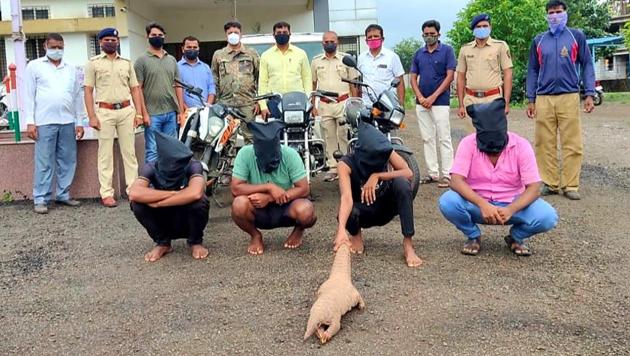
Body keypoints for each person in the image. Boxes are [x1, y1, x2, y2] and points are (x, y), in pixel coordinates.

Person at [439, 99, 558, 256]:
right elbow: (455, 181)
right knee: (448, 202)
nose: (493, 151)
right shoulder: (468, 144)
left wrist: (511, 209)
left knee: (548, 216)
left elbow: (535, 188)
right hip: (477, 204)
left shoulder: (521, 146)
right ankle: (473, 236)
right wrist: (483, 204)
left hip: (512, 204)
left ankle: (516, 237)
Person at [526, 0, 595, 201]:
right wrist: (531, 98)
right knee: (543, 142)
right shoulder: (539, 40)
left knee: (572, 142)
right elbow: (532, 70)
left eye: (558, 12)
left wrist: (589, 93)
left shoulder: (576, 36)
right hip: (544, 98)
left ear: (565, 13)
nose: (554, 16)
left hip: (569, 95)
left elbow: (587, 64)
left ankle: (570, 185)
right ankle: (550, 182)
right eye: (551, 12)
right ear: (547, 15)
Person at [332, 121, 422, 268]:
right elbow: (346, 198)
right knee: (346, 211)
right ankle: (356, 236)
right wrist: (341, 229)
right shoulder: (345, 164)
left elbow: (409, 173)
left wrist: (378, 176)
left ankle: (408, 244)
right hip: (362, 212)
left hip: (385, 208)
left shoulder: (385, 150)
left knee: (402, 183)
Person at [231, 121, 316, 255]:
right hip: (257, 206)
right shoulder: (244, 154)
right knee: (239, 205)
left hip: (285, 205)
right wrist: (269, 187)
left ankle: (298, 230)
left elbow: (304, 189)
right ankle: (255, 235)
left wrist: (270, 198)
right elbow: (236, 188)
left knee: (307, 210)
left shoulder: (290, 154)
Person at [23, 33, 86, 214]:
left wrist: (79, 122)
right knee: (44, 162)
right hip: (44, 122)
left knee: (68, 160)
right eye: (53, 47)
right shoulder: (34, 67)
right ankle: (40, 198)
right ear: (45, 46)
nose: (57, 50)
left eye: (60, 47)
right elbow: (28, 96)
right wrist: (30, 122)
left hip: (67, 121)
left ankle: (63, 195)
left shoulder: (71, 69)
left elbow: (77, 97)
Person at [84, 27, 144, 208]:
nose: (110, 42)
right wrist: (92, 116)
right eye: (107, 40)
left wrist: (139, 113)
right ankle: (107, 193)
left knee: (130, 153)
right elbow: (88, 90)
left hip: (126, 111)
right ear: (100, 42)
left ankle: (133, 190)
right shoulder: (93, 63)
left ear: (118, 42)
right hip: (104, 112)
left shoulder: (126, 63)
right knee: (105, 154)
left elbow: (135, 89)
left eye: (113, 40)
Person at [129, 131, 209, 262]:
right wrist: (174, 193)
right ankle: (163, 243)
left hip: (185, 214)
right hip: (162, 217)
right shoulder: (150, 168)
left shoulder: (193, 165)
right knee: (137, 204)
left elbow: (195, 192)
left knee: (200, 201)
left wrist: (159, 202)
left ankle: (195, 241)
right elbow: (134, 193)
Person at [409, 20, 457, 189]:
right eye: (426, 34)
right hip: (421, 103)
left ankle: (448, 174)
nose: (429, 36)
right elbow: (413, 77)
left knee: (444, 137)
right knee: (427, 138)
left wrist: (433, 97)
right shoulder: (418, 53)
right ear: (422, 35)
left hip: (440, 102)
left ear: (438, 34)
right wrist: (421, 97)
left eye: (432, 34)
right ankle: (433, 173)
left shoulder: (447, 51)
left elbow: (450, 76)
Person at [311, 31, 359, 182]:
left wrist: (355, 103)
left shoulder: (346, 59)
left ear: (337, 42)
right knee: (329, 137)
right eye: (326, 41)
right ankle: (332, 168)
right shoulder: (316, 61)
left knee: (344, 135)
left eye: (332, 41)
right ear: (322, 43)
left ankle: (345, 165)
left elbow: (353, 83)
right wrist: (313, 105)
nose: (329, 44)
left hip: (343, 103)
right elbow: (313, 84)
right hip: (325, 104)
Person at [134, 22, 185, 163]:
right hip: (152, 114)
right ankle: (151, 183)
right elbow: (138, 89)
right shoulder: (141, 61)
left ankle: (169, 182)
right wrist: (143, 113)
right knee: (152, 150)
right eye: (154, 35)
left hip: (171, 113)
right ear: (147, 37)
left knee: (171, 149)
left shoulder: (172, 60)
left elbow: (178, 86)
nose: (157, 37)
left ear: (164, 37)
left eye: (160, 35)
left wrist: (180, 112)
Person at [456, 13, 513, 131]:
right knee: (472, 138)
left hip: (493, 99)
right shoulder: (465, 49)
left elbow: (508, 74)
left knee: (493, 137)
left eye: (485, 26)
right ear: (473, 30)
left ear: (490, 27)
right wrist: (461, 104)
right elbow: (460, 77)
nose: (482, 29)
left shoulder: (500, 46)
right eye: (478, 27)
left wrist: (506, 102)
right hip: (471, 99)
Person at [211, 21, 260, 144]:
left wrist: (259, 101)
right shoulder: (219, 55)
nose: (233, 35)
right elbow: (215, 78)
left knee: (251, 137)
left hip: (247, 103)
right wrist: (217, 103)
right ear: (226, 35)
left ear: (241, 34)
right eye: (230, 32)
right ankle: (228, 163)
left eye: (236, 32)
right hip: (226, 103)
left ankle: (251, 162)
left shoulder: (251, 53)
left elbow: (259, 77)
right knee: (227, 138)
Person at [258, 21, 311, 120]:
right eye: (279, 33)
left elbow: (307, 78)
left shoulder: (301, 54)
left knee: (298, 132)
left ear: (290, 34)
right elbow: (262, 82)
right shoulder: (266, 56)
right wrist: (263, 106)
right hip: (274, 102)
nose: (282, 35)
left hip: (297, 101)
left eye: (285, 32)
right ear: (273, 35)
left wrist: (307, 99)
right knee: (276, 134)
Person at [357, 24, 405, 106]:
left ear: (382, 39)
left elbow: (400, 82)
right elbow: (359, 83)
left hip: (388, 104)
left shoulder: (392, 57)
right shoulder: (361, 58)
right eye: (370, 37)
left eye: (376, 36)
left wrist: (400, 105)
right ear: (366, 41)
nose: (373, 39)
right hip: (367, 105)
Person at [177, 36, 216, 108]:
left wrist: (207, 106)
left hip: (205, 110)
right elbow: (175, 91)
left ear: (198, 49)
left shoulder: (206, 67)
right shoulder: (176, 68)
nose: (192, 49)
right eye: (189, 47)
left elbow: (211, 88)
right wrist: (186, 109)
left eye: (195, 47)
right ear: (183, 49)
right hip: (186, 113)